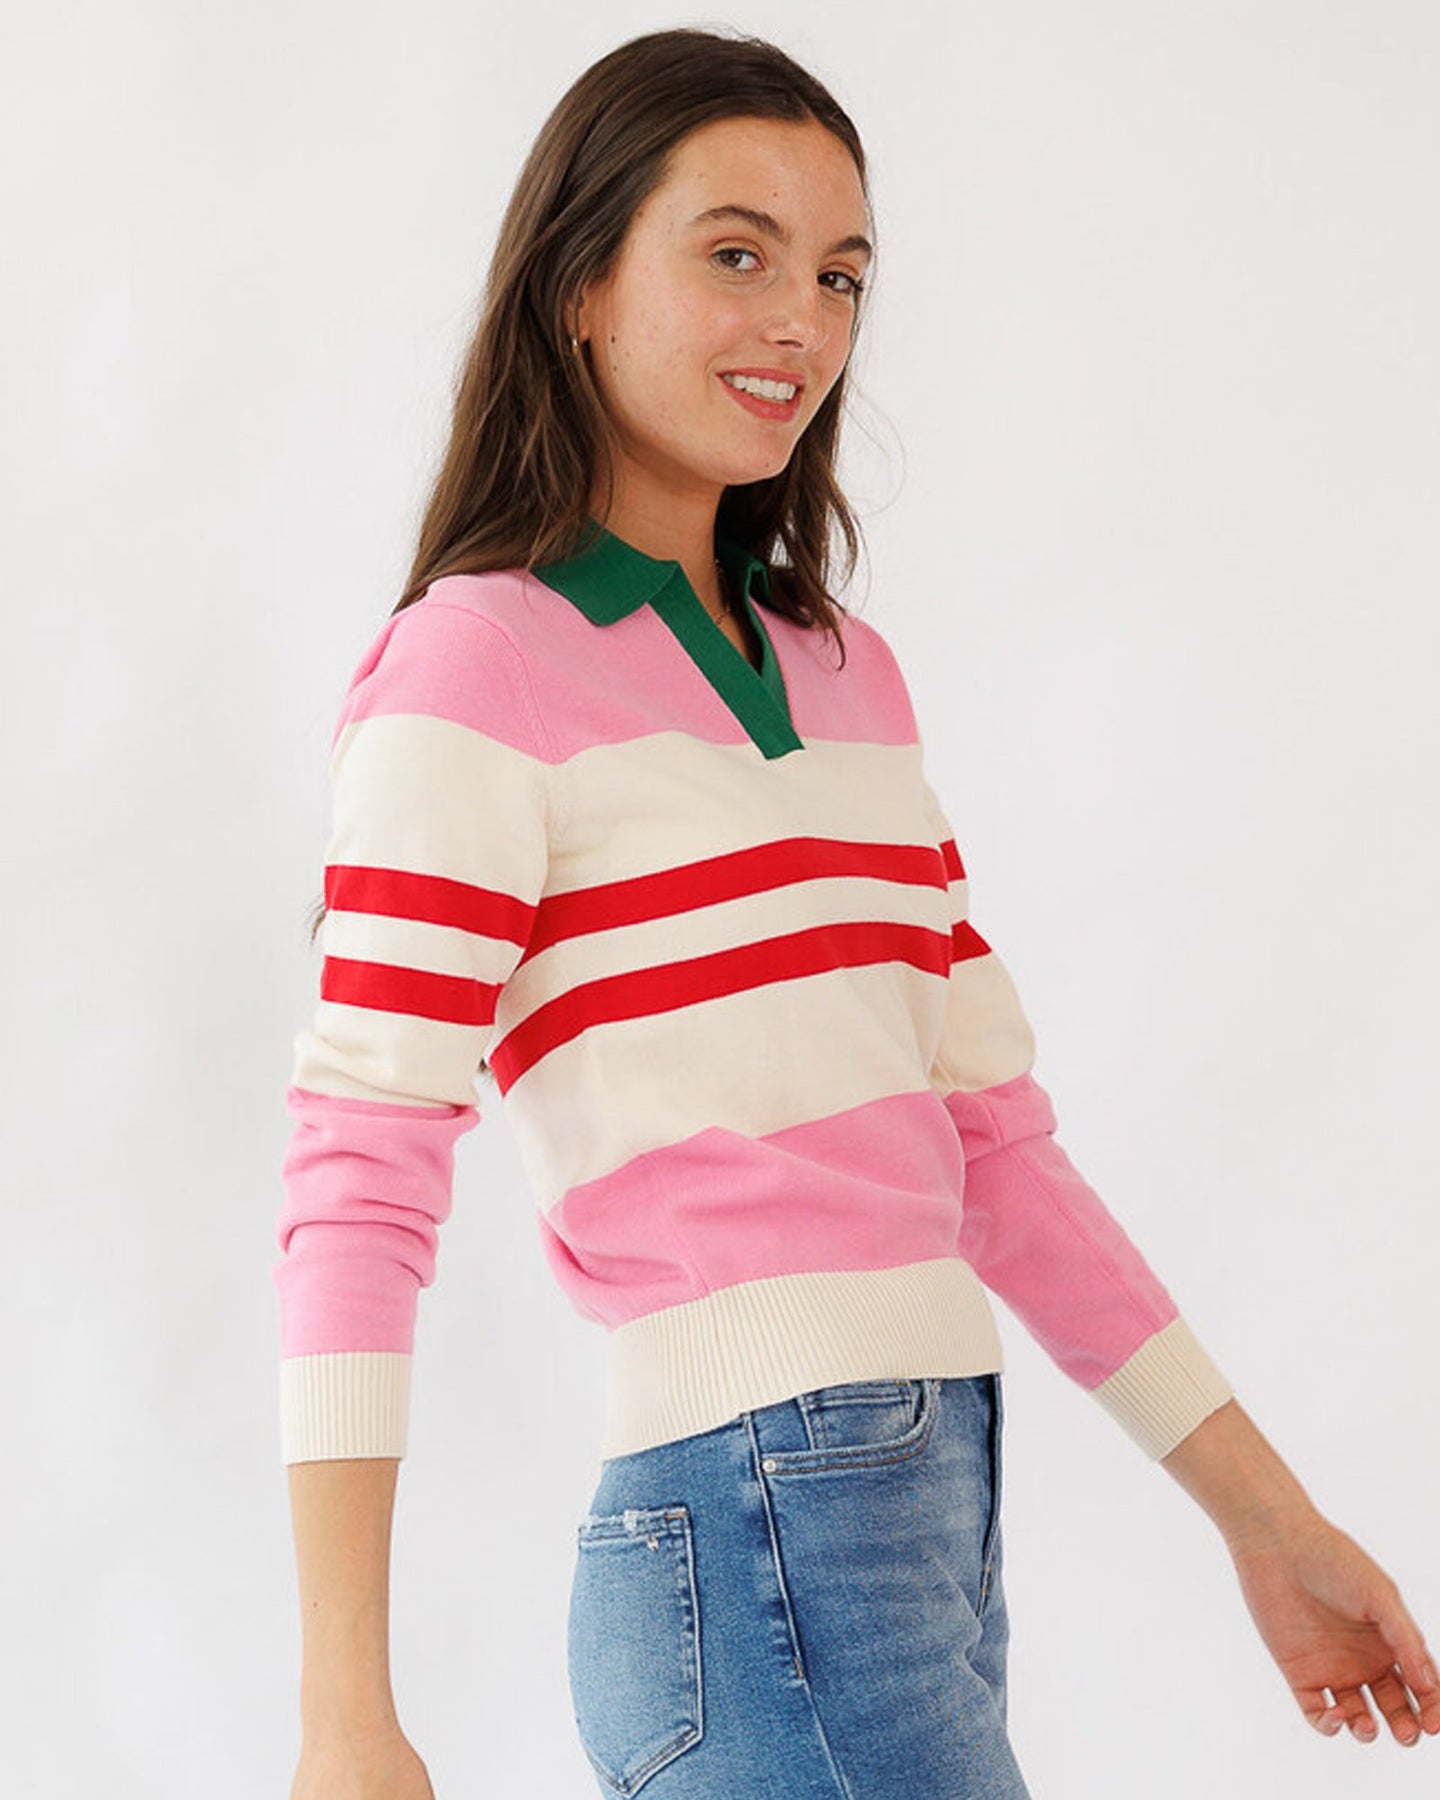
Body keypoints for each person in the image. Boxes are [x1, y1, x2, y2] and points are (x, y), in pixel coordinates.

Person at [273, 27, 1439, 1800]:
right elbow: (360, 1169)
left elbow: (994, 1148)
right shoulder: (474, 669)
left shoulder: (845, 675)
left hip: (929, 1507)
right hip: (756, 1527)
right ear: (579, 284)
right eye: (736, 254)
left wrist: (1268, 1524)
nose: (801, 326)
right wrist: (344, 1714)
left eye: (839, 275)